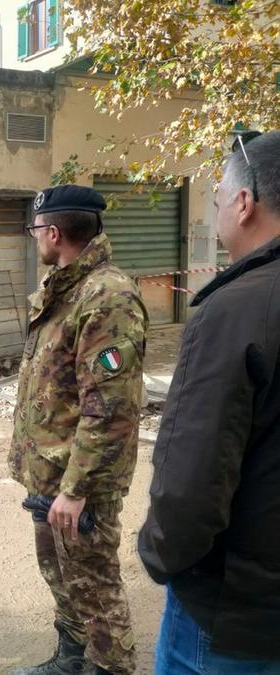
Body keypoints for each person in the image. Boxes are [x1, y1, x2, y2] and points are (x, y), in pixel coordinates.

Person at [138, 131, 280, 674]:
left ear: (245, 203)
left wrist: (160, 552)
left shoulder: (234, 311)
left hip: (233, 615)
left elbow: (192, 478)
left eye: (219, 193)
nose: (216, 203)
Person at [9, 185, 149, 675]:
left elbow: (110, 409)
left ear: (52, 232)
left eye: (35, 232)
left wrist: (77, 489)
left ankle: (110, 669)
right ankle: (71, 661)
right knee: (62, 578)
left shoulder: (106, 296)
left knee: (95, 588)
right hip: (50, 474)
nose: (35, 241)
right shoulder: (63, 289)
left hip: (79, 483)